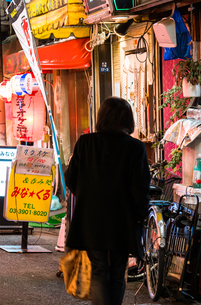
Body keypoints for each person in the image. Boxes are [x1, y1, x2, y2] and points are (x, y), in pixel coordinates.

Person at [64, 97, 150, 305]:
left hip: (91, 218)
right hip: (122, 219)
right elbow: (140, 187)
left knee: (99, 269)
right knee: (118, 270)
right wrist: (140, 216)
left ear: (102, 117)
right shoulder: (135, 148)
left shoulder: (86, 143)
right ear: (127, 119)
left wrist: (87, 195)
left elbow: (70, 178)